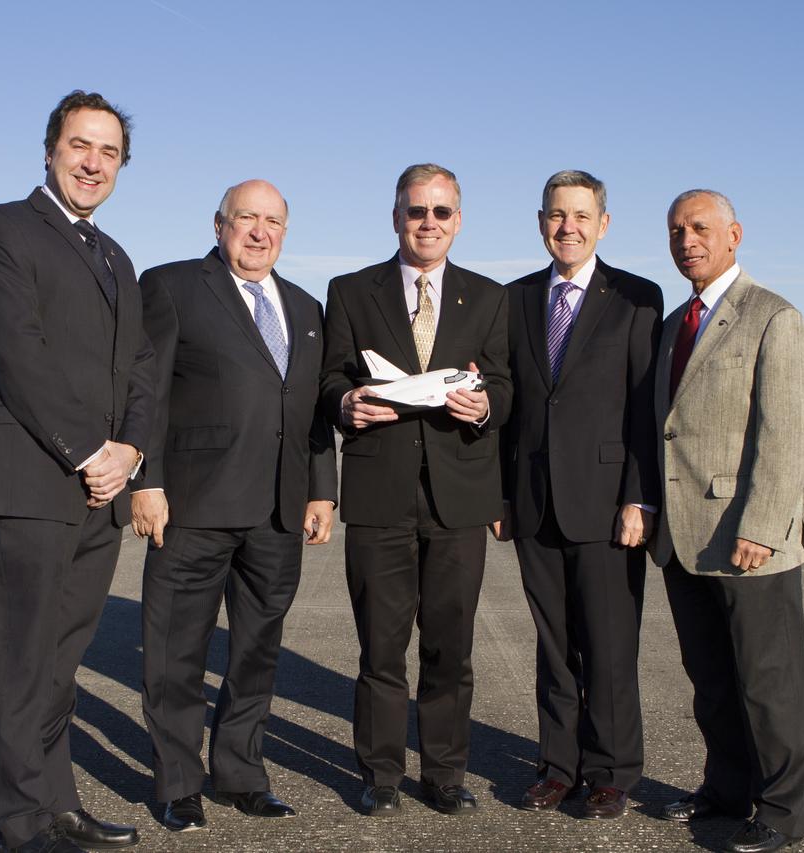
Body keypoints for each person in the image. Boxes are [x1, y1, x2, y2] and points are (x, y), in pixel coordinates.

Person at [0, 90, 154, 853]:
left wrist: (130, 451)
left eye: (109, 152)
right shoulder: (2, 229)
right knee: (20, 657)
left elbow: (139, 365)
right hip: (38, 478)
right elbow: (19, 353)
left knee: (62, 662)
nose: (93, 162)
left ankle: (60, 802)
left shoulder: (115, 255)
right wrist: (90, 451)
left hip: (102, 491)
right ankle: (20, 819)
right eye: (80, 145)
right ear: (49, 149)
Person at [129, 180, 337, 832]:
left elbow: (312, 409)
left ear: (285, 230)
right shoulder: (172, 287)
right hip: (191, 506)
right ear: (219, 223)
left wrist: (323, 488)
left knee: (256, 651)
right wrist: (145, 478)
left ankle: (241, 772)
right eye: (247, 217)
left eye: (272, 221)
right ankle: (178, 783)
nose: (259, 232)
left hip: (277, 512)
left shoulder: (304, 305)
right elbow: (146, 391)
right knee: (176, 653)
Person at [320, 163, 512, 817]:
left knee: (450, 647)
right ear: (396, 215)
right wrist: (346, 403)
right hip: (379, 495)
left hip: (459, 498)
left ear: (458, 219)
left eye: (441, 212)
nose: (428, 223)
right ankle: (378, 773)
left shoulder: (490, 297)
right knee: (380, 646)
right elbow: (327, 380)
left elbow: (510, 386)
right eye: (416, 211)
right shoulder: (349, 290)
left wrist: (482, 408)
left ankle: (445, 772)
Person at [652, 189, 804, 853]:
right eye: (675, 229)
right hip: (685, 534)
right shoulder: (673, 324)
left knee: (768, 681)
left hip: (750, 537)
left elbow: (788, 432)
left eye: (699, 227)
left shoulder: (774, 316)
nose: (686, 239)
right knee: (713, 679)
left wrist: (763, 522)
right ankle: (726, 789)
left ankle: (781, 810)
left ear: (734, 234)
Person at [498, 170, 662, 819]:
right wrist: (501, 496)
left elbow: (648, 410)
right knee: (554, 644)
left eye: (580, 215)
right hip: (535, 500)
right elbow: (510, 410)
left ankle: (613, 770)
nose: (568, 226)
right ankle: (558, 765)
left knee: (609, 643)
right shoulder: (514, 299)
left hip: (607, 502)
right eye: (556, 215)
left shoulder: (635, 297)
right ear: (542, 221)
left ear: (604, 223)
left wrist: (640, 497)